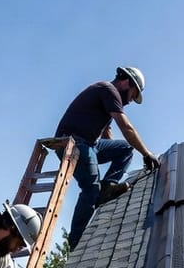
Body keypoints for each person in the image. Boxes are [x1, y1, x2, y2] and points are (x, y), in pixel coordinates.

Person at [55, 66, 161, 250]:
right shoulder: (108, 90)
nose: (129, 102)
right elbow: (126, 127)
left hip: (89, 144)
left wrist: (112, 160)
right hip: (72, 143)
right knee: (91, 189)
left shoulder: (107, 97)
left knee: (126, 149)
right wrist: (147, 153)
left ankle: (107, 187)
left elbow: (107, 131)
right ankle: (75, 243)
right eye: (132, 95)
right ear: (126, 82)